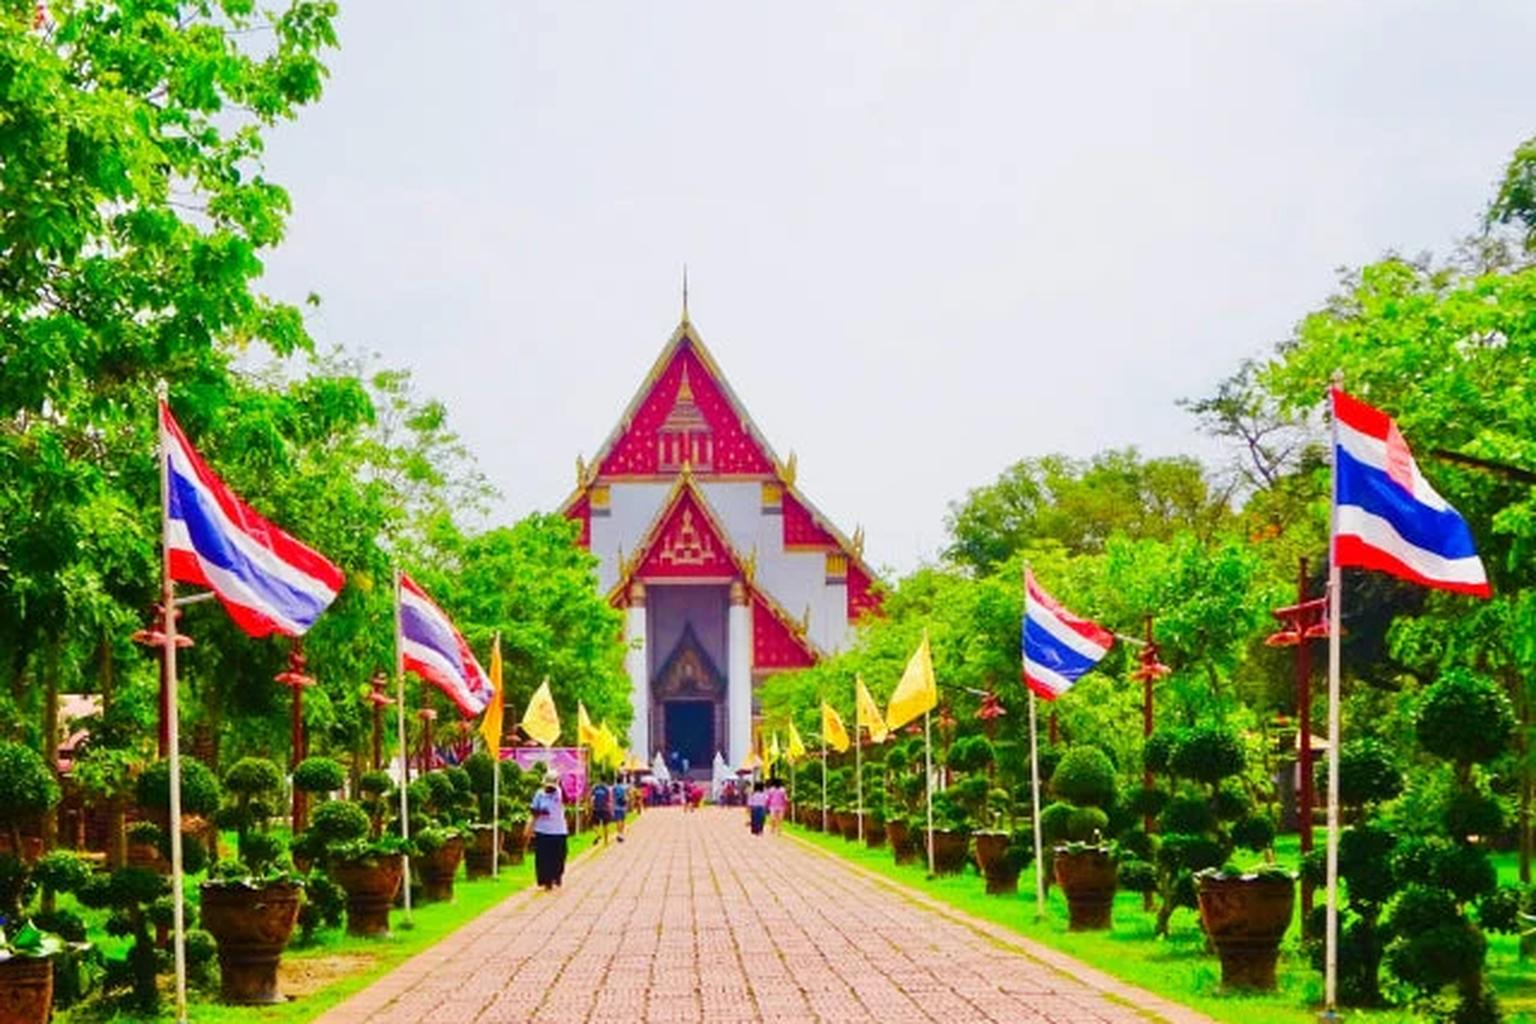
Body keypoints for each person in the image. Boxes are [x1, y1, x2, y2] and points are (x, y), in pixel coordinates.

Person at [530, 770, 568, 890]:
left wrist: (560, 784)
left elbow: (567, 800)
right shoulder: (539, 794)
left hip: (559, 830)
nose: (550, 788)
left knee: (559, 856)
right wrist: (541, 812)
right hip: (542, 830)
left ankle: (557, 876)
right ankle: (546, 881)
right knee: (543, 858)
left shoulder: (560, 792)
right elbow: (533, 810)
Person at [590, 777, 612, 845]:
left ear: (599, 780)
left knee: (594, 825)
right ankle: (606, 842)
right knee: (605, 826)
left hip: (596, 809)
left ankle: (598, 834)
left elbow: (592, 798)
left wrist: (591, 806)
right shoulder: (607, 788)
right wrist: (610, 808)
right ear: (605, 781)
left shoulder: (595, 787)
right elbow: (609, 799)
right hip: (605, 809)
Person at [612, 776, 629, 843]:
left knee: (618, 821)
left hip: (616, 806)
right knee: (622, 821)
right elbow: (626, 797)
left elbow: (612, 797)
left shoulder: (614, 788)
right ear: (622, 781)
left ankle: (618, 834)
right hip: (623, 807)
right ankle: (621, 834)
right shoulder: (623, 788)